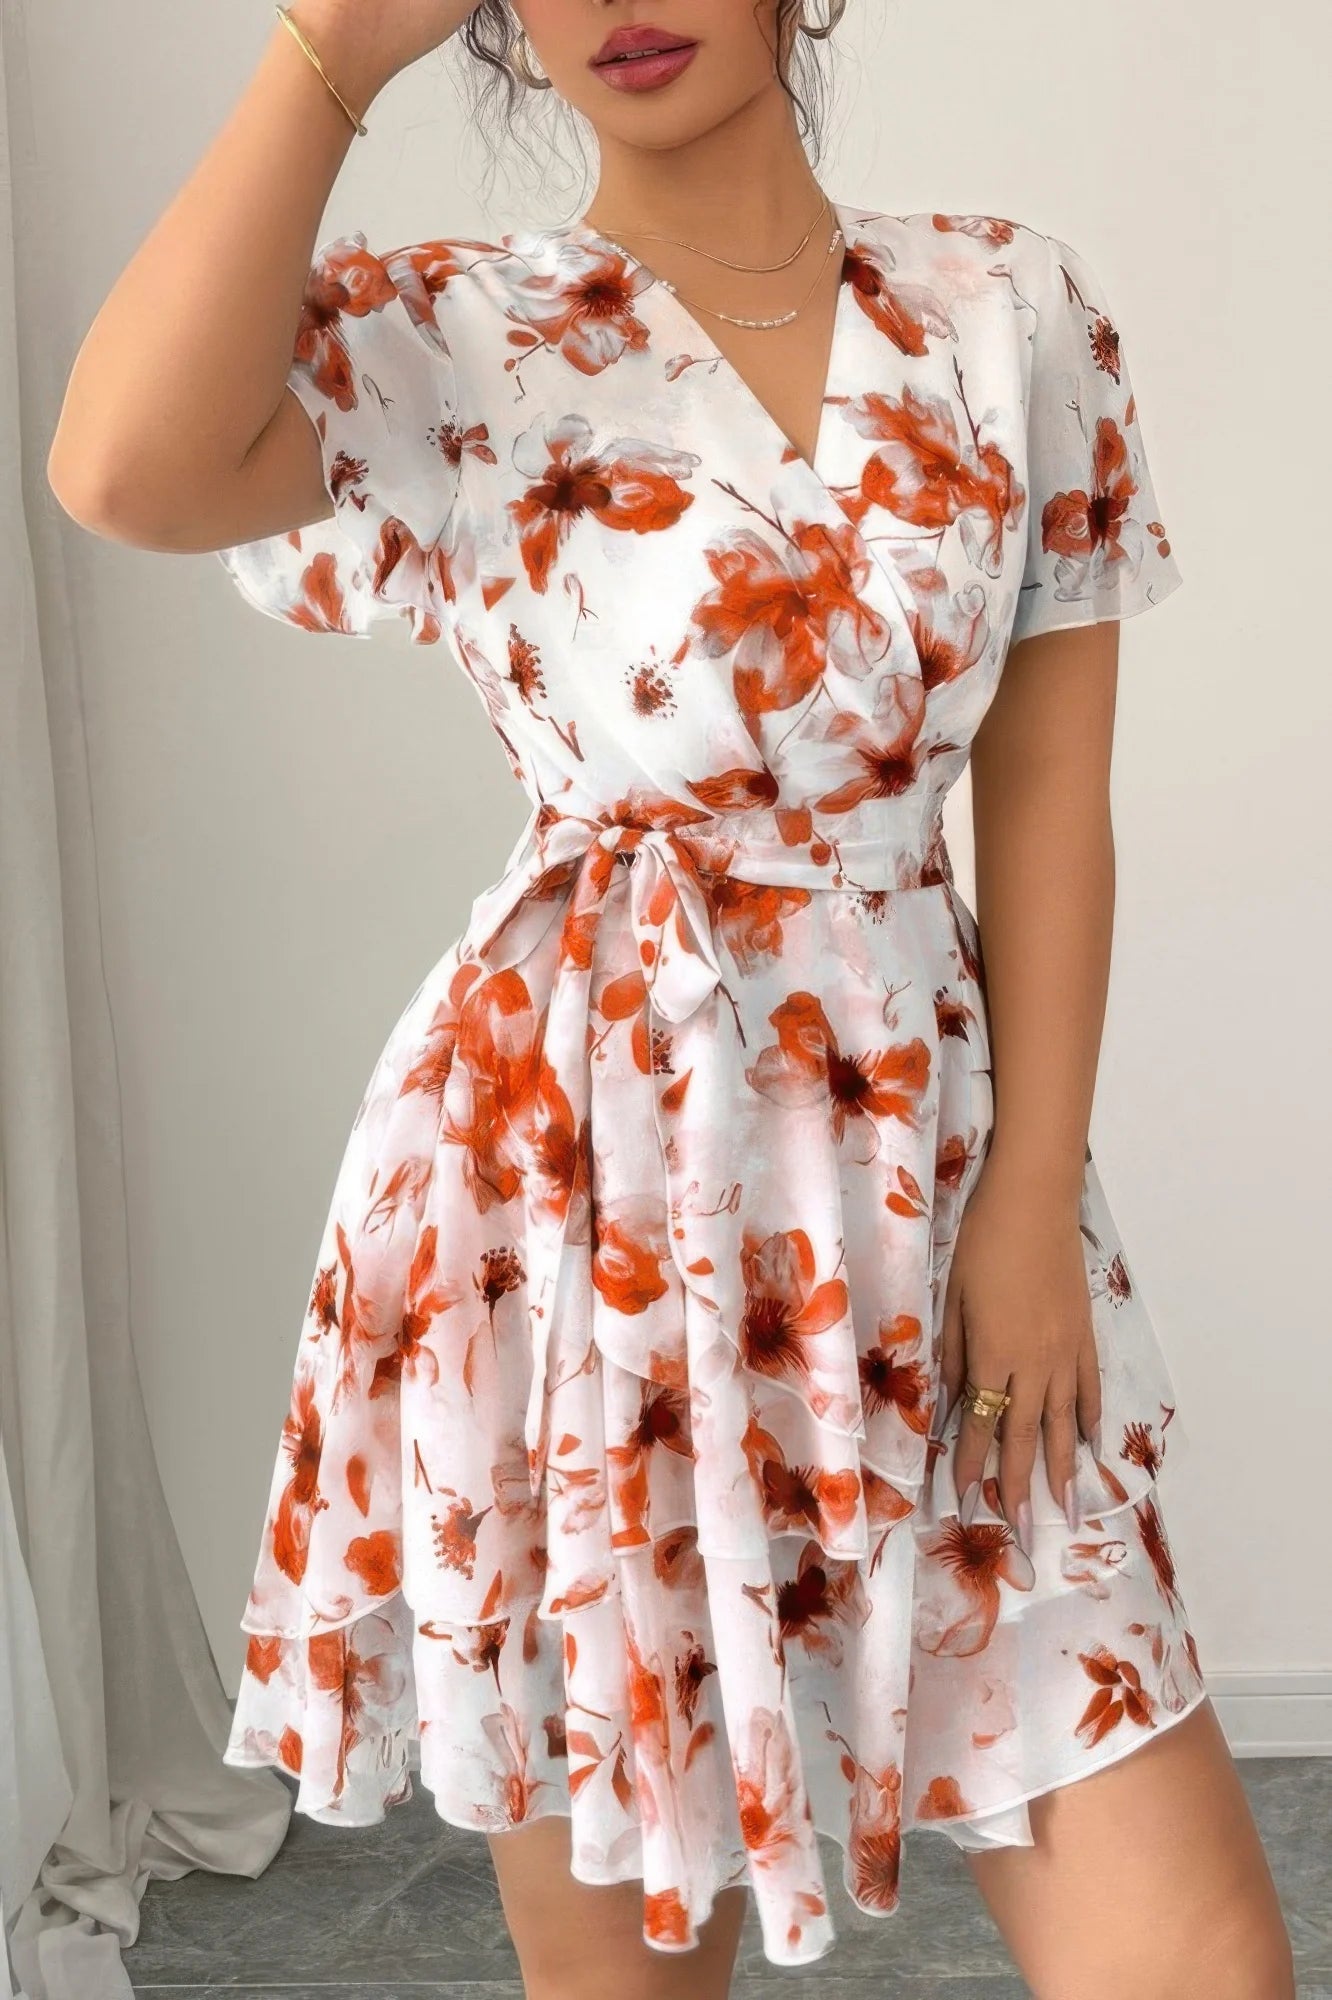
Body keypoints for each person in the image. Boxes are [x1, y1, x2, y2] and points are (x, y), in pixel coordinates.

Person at [46, 4, 1295, 1996]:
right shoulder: (451, 331)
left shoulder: (1006, 308)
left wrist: (1035, 1193)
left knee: (1193, 1957)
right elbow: (118, 465)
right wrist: (327, 56)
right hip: (575, 1220)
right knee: (634, 1968)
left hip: (941, 1175)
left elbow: (1053, 800)